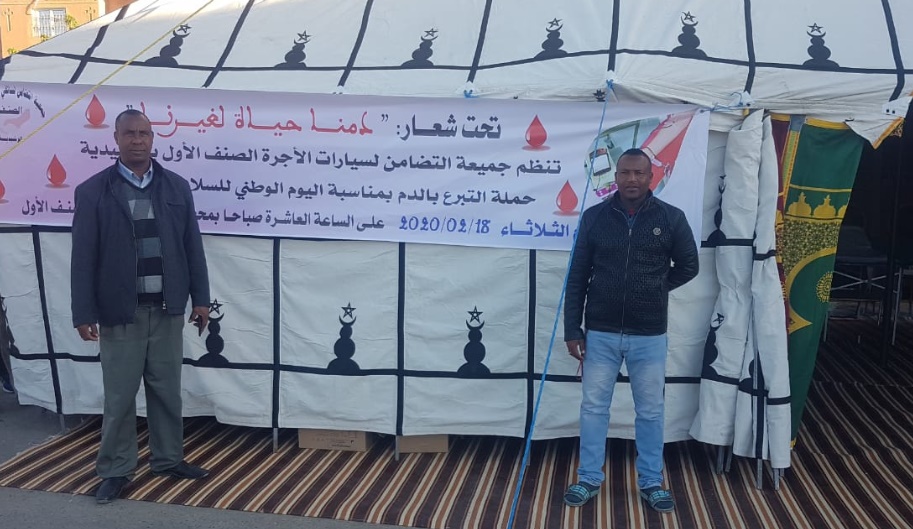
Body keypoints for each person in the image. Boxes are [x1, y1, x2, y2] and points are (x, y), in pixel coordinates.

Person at [71, 109, 211, 504]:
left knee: (167, 391)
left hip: (167, 309)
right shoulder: (93, 191)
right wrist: (83, 312)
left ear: (153, 138)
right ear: (115, 137)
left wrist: (200, 299)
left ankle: (168, 460)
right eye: (130, 133)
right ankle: (116, 470)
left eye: (144, 133)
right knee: (119, 397)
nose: (137, 140)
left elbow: (192, 246)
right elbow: (82, 258)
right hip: (120, 313)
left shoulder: (176, 187)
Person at [562, 148, 699, 512]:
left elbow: (689, 265)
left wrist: (654, 287)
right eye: (625, 172)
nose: (632, 179)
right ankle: (589, 478)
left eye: (639, 173)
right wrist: (572, 329)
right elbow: (577, 276)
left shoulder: (671, 218)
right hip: (600, 333)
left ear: (651, 177)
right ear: (616, 176)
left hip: (649, 335)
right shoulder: (594, 218)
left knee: (651, 411)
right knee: (594, 408)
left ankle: (651, 481)